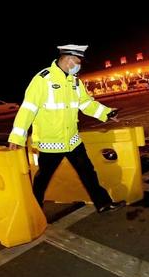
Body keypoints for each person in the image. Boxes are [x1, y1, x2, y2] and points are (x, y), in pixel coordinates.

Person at [8, 44, 126, 213]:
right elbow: (28, 109)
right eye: (78, 61)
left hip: (72, 140)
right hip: (51, 142)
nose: (80, 65)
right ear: (69, 60)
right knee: (43, 178)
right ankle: (34, 210)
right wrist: (17, 137)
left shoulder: (75, 82)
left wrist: (107, 113)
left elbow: (86, 104)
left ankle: (103, 203)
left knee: (88, 173)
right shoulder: (43, 80)